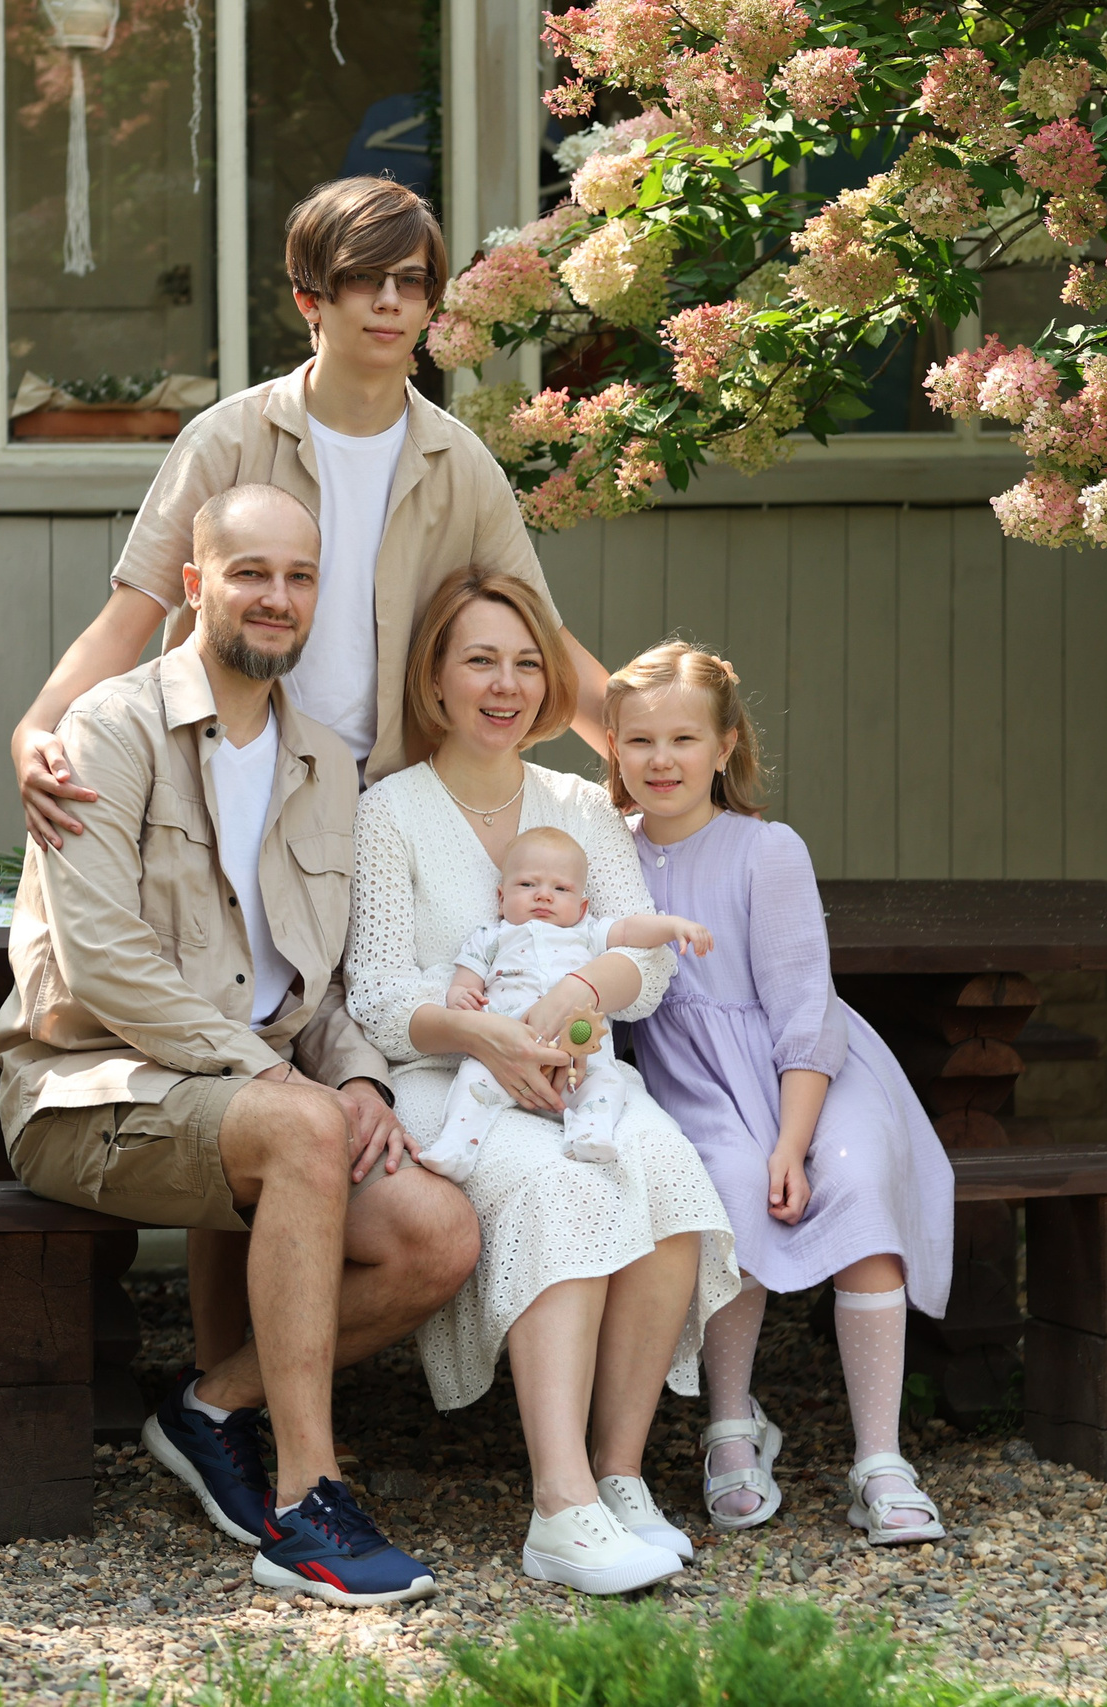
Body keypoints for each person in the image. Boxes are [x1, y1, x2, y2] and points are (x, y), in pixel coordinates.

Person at [9, 174, 611, 1374]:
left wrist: (653, 766)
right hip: (220, 784)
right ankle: (245, 1414)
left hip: (365, 824)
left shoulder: (457, 463)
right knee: (248, 1058)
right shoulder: (229, 438)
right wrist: (40, 724)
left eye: (413, 285)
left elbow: (544, 647)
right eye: (364, 282)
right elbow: (135, 611)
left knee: (309, 1067)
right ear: (311, 300)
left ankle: (234, 1403)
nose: (391, 305)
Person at [0, 484, 477, 1606]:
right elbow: (105, 967)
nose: (277, 597)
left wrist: (354, 1077)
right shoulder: (106, 731)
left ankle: (208, 1407)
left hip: (256, 1098)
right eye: (250, 572)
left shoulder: (321, 760)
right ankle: (307, 1505)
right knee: (304, 1122)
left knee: (438, 1236)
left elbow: (329, 979)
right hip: (88, 1087)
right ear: (198, 583)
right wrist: (283, 1081)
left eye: (299, 578)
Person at [345, 568, 743, 1598]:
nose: (506, 683)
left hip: (577, 1063)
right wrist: (487, 1037)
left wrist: (567, 1000)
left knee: (662, 1170)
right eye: (480, 659)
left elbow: (643, 966)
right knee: (557, 1186)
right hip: (449, 1079)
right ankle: (557, 1508)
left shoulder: (578, 801)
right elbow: (381, 991)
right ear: (434, 679)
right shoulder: (388, 812)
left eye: (528, 663)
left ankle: (617, 1478)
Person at [603, 641, 955, 1541]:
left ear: (725, 747)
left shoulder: (766, 850)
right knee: (724, 1194)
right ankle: (730, 1426)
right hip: (698, 1086)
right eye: (639, 740)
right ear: (612, 747)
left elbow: (806, 1009)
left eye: (684, 738)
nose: (661, 760)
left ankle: (880, 1456)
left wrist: (793, 1141)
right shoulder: (610, 855)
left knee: (858, 1188)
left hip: (811, 1075)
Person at [433, 826, 713, 1176]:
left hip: (578, 1059)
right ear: (500, 897)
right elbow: (464, 983)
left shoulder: (586, 932)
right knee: (472, 1078)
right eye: (527, 885)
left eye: (560, 888)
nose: (543, 896)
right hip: (504, 1053)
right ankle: (455, 1146)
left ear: (581, 906)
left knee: (610, 1082)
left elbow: (629, 931)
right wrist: (461, 997)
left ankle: (590, 1132)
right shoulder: (491, 936)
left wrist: (672, 926)